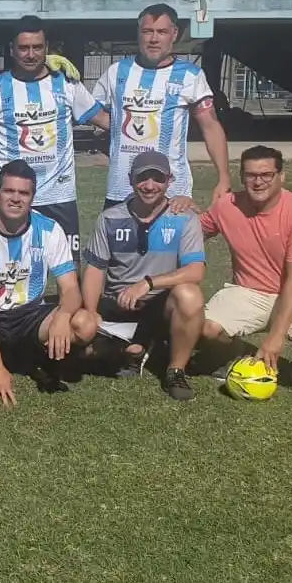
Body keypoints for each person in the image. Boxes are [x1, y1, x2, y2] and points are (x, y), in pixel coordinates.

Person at [0, 161, 98, 406]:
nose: (16, 199)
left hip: (29, 314)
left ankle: (34, 354)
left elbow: (70, 289)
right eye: (9, 191)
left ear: (33, 197)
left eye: (23, 193)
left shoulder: (49, 229)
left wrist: (63, 316)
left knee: (85, 324)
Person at [197, 146, 292, 395]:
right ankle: (232, 352)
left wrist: (276, 337)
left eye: (266, 175)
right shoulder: (225, 206)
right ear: (242, 177)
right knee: (205, 329)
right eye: (250, 175)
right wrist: (178, 206)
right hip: (248, 290)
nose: (258, 182)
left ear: (281, 177)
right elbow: (192, 233)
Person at [0, 16, 109, 258]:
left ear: (47, 49)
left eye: (37, 47)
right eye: (24, 48)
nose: (31, 54)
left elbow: (105, 120)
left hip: (59, 194)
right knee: (9, 264)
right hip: (12, 194)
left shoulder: (66, 83)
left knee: (69, 263)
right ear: (12, 50)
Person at [80, 151, 206, 401]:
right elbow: (95, 269)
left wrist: (147, 284)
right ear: (130, 179)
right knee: (82, 350)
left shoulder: (184, 218)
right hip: (118, 305)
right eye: (142, 178)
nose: (149, 186)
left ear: (169, 180)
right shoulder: (110, 218)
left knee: (190, 294)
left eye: (157, 178)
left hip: (161, 306)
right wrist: (91, 311)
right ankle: (135, 350)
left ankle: (175, 370)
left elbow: (196, 271)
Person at [92, 4, 231, 210]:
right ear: (138, 33)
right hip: (121, 189)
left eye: (162, 32)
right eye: (147, 31)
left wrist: (224, 177)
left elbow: (210, 126)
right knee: (118, 242)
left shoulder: (190, 75)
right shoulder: (117, 72)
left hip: (172, 193)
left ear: (174, 34)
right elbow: (91, 110)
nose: (154, 39)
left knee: (166, 242)